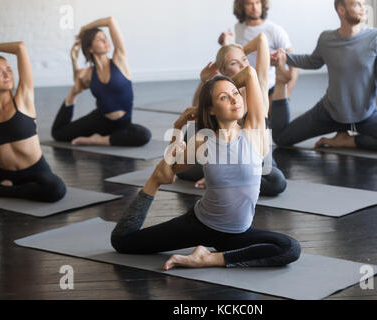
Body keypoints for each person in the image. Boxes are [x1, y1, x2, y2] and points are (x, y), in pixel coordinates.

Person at [110, 65, 301, 270]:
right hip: (199, 224)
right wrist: (177, 128)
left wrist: (217, 85)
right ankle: (151, 185)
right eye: (223, 98)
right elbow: (169, 170)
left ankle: (207, 258)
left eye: (235, 93)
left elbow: (250, 73)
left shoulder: (254, 131)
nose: (235, 99)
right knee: (123, 242)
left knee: (290, 248)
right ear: (210, 108)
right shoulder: (203, 140)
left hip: (239, 233)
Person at [270, 0, 377, 152]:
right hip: (329, 112)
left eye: (363, 3)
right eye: (357, 4)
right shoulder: (326, 39)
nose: (363, 8)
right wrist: (285, 58)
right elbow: (313, 61)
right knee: (281, 138)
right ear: (341, 10)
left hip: (365, 115)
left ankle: (346, 140)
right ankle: (280, 84)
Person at [180, 33, 287, 196]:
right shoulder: (221, 98)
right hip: (224, 160)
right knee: (182, 166)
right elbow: (198, 113)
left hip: (257, 160)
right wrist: (205, 82)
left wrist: (234, 49)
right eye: (234, 63)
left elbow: (262, 39)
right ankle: (220, 177)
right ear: (223, 70)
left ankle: (222, 180)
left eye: (244, 59)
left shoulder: (259, 86)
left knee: (277, 181)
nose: (243, 65)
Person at [51, 17, 152, 147]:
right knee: (58, 134)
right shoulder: (88, 73)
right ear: (91, 48)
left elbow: (110, 21)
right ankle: (109, 139)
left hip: (123, 124)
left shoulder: (119, 60)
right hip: (100, 121)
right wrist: (74, 60)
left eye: (105, 37)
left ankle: (96, 140)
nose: (106, 41)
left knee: (144, 135)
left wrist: (85, 28)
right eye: (99, 39)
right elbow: (78, 85)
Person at [0, 42, 66, 202]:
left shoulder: (23, 98)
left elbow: (20, 47)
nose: (7, 75)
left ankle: (2, 190)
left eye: (9, 70)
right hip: (0, 171)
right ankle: (10, 188)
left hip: (34, 172)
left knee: (56, 189)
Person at [219, 0, 299, 102]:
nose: (255, 7)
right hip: (245, 87)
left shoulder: (274, 30)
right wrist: (225, 43)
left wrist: (285, 95)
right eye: (249, 3)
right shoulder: (238, 27)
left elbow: (295, 67)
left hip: (267, 88)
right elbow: (237, 55)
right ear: (241, 6)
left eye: (257, 2)